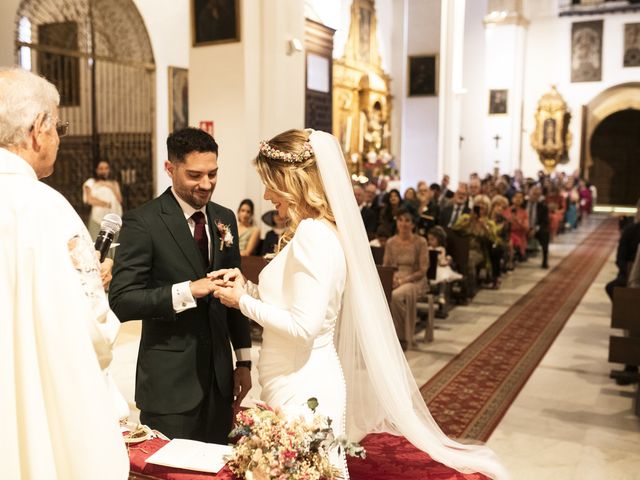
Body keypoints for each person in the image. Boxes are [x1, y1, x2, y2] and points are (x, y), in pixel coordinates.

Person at [211, 129, 508, 480]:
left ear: (293, 181)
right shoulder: (318, 230)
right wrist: (250, 288)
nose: (265, 194)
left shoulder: (314, 236)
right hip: (292, 379)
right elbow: (296, 305)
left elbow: (304, 327)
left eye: (270, 182)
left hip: (303, 385)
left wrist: (242, 301)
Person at [0, 67, 128, 479]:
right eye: (59, 126)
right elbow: (96, 331)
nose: (58, 137)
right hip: (42, 412)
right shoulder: (49, 210)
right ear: (39, 129)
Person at [109, 127, 252, 444]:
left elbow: (235, 295)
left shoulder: (224, 217)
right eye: (195, 175)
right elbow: (122, 300)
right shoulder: (143, 222)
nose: (206, 184)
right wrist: (187, 291)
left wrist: (243, 360)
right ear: (169, 168)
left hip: (219, 381)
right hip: (169, 385)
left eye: (213, 174)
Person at [383, 206, 429, 349]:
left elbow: (422, 270)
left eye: (407, 220)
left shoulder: (420, 242)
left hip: (415, 280)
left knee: (395, 296)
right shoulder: (391, 242)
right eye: (400, 220)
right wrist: (392, 279)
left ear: (413, 224)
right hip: (395, 278)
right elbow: (386, 266)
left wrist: (403, 280)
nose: (403, 224)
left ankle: (401, 337)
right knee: (378, 294)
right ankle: (384, 336)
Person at [83, 159, 123, 240]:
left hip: (114, 219)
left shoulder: (114, 183)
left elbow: (120, 200)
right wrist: (106, 204)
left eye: (106, 168)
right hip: (98, 219)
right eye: (101, 168)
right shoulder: (90, 182)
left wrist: (110, 186)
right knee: (97, 242)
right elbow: (89, 199)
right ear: (96, 170)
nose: (104, 171)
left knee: (113, 244)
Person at [427, 226, 462, 304]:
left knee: (442, 279)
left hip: (440, 268)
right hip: (430, 267)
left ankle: (441, 295)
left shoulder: (441, 249)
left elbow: (443, 261)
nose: (430, 242)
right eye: (429, 239)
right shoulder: (428, 248)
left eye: (432, 239)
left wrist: (445, 261)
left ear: (438, 239)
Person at [526, 186, 550, 269]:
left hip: (536, 228)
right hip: (522, 227)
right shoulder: (523, 204)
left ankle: (545, 260)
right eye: (533, 194)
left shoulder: (543, 207)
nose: (535, 196)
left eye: (537, 195)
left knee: (545, 233)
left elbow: (544, 222)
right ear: (529, 194)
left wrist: (534, 229)